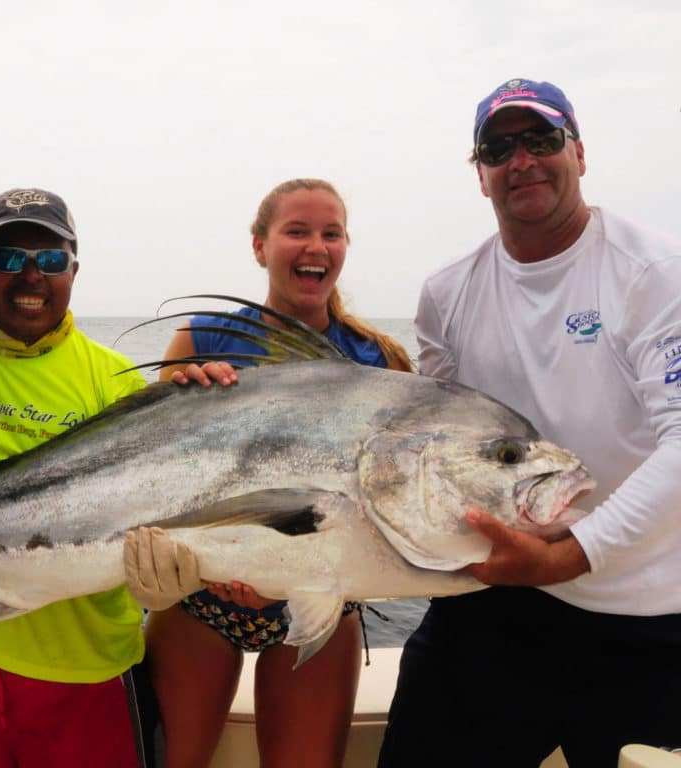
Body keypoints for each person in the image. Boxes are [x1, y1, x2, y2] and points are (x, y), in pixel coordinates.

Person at [378, 78, 681, 767]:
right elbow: (432, 449)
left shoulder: (654, 271)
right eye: (499, 147)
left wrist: (566, 558)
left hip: (648, 617)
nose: (522, 161)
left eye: (542, 140)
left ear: (578, 151)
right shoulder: (447, 292)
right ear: (480, 174)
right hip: (493, 606)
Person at [0, 187, 228, 767]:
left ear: (75, 270)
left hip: (91, 674)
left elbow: (179, 503)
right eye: (8, 257)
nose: (31, 276)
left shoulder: (118, 382)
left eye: (52, 260)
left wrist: (210, 411)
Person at [132, 178, 414, 768]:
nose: (316, 245)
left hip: (321, 602)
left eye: (331, 233)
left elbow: (397, 504)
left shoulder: (376, 361)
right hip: (199, 601)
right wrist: (185, 397)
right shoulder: (207, 337)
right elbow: (154, 473)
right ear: (260, 246)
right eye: (297, 231)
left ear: (344, 247)